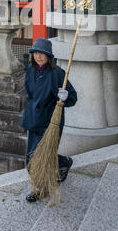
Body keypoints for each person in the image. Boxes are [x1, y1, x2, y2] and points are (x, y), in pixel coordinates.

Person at [20, 37, 77, 202]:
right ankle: (63, 162)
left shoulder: (57, 73)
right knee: (31, 157)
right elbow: (29, 94)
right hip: (33, 120)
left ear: (49, 56)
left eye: (42, 54)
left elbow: (73, 97)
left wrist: (64, 97)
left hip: (50, 122)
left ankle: (40, 190)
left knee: (42, 157)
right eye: (36, 53)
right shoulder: (30, 70)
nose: (38, 57)